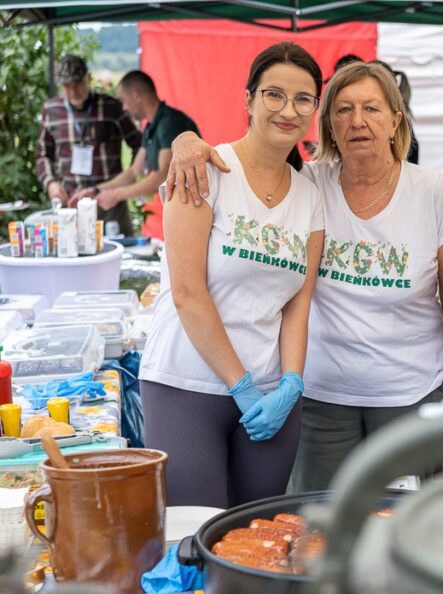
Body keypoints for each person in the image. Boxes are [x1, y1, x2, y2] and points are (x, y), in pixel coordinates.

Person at [166, 61, 443, 493]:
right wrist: (185, 140)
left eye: (372, 108)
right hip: (322, 401)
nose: (358, 121)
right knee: (317, 529)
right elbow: (248, 165)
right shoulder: (307, 186)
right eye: (343, 110)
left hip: (411, 396)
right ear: (327, 123)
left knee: (409, 531)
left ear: (395, 120)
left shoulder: (434, 193)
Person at [140, 42, 325, 508]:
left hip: (271, 394)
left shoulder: (309, 195)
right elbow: (186, 293)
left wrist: (292, 383)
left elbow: (297, 304)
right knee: (193, 537)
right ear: (248, 100)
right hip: (188, 384)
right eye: (274, 95)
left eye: (303, 99)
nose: (288, 110)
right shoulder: (203, 170)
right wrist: (239, 385)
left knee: (258, 537)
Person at [69, 70, 199, 217]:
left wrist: (117, 195)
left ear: (137, 95)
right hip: (180, 209)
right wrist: (96, 190)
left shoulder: (170, 123)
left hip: (194, 209)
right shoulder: (151, 127)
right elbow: (133, 172)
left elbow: (164, 176)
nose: (124, 108)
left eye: (124, 101)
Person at [36, 54, 141, 232]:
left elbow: (139, 144)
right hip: (70, 204)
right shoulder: (51, 110)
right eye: (67, 86)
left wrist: (128, 178)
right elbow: (42, 154)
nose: (73, 91)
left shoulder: (111, 107)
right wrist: (51, 183)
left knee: (117, 255)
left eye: (78, 84)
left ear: (88, 78)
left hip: (108, 203)